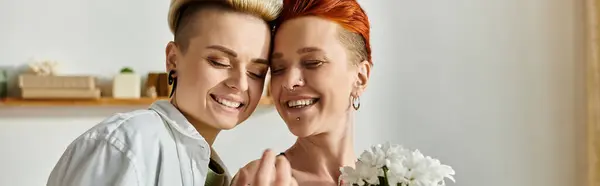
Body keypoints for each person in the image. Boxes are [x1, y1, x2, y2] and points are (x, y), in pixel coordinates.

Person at [46, 0, 281, 185]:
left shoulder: (213, 172)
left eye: (256, 72)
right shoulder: (128, 144)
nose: (240, 83)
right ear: (173, 59)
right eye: (218, 61)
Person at [232, 0, 372, 185]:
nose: (289, 83)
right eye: (278, 68)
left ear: (360, 77)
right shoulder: (259, 180)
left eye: (313, 62)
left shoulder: (389, 176)